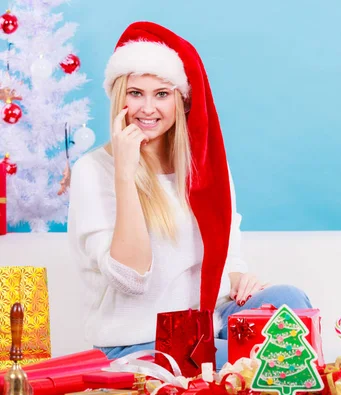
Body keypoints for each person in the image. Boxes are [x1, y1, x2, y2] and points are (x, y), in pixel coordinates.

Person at [67, 21, 311, 369]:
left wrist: (239, 279)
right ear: (119, 97)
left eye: (161, 94)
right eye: (135, 93)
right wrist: (125, 172)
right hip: (137, 342)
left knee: (289, 302)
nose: (147, 108)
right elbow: (130, 279)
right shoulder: (94, 171)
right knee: (256, 362)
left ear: (182, 101)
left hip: (206, 328)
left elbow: (227, 255)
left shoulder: (206, 169)